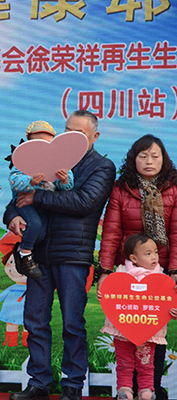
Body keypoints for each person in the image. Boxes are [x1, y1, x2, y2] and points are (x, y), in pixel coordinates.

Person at [3, 110, 115, 400]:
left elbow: (84, 202)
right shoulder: (48, 155)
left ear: (94, 136)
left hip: (72, 254)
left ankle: (73, 385)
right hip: (39, 255)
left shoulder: (102, 166)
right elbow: (18, 197)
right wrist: (12, 216)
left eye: (79, 133)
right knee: (34, 321)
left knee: (72, 323)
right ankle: (38, 382)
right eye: (67, 130)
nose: (71, 137)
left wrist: (37, 197)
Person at [98, 134, 177, 400]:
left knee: (154, 329)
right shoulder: (122, 188)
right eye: (143, 156)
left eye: (155, 156)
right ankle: (126, 389)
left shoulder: (173, 188)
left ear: (164, 159)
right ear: (133, 160)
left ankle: (150, 388)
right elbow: (111, 232)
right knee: (126, 327)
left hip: (161, 272)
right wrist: (106, 272)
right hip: (127, 272)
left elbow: (176, 233)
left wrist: (174, 272)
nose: (149, 161)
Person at [98, 234, 173, 400]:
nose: (154, 257)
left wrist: (173, 310)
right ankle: (124, 389)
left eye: (155, 252)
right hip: (122, 328)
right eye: (148, 253)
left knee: (146, 361)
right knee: (124, 361)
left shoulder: (161, 277)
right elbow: (111, 297)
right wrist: (104, 295)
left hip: (149, 329)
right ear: (133, 258)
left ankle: (146, 390)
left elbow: (167, 302)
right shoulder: (120, 274)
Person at [8, 121, 73, 279]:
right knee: (35, 224)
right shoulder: (24, 160)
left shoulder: (60, 161)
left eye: (47, 143)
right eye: (37, 143)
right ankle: (25, 255)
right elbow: (14, 180)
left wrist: (64, 180)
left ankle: (21, 250)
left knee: (41, 233)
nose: (43, 147)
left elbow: (68, 187)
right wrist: (30, 182)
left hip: (46, 206)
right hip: (25, 203)